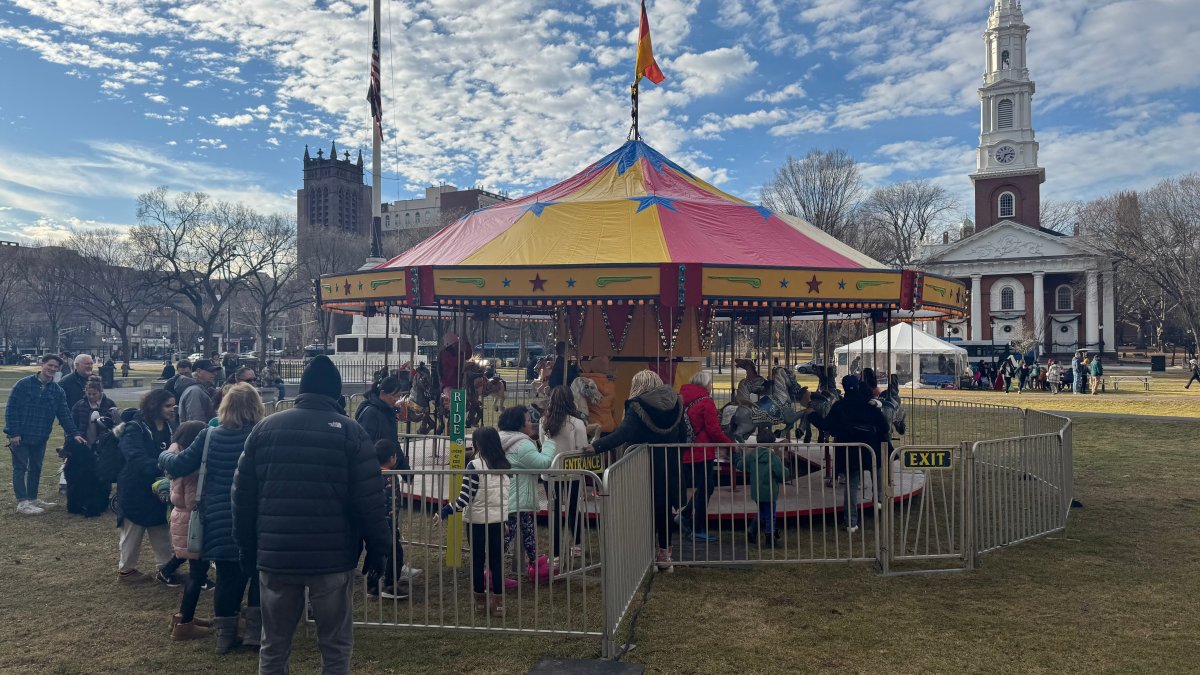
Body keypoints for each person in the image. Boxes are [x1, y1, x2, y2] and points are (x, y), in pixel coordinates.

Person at [232, 355, 390, 674]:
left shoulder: (264, 429)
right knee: (335, 645)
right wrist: (378, 548)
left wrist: (247, 548)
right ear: (336, 394)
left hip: (276, 557)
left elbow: (241, 498)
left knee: (274, 645)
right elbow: (370, 500)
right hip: (331, 558)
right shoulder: (351, 432)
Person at [161, 382, 264, 653]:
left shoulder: (209, 436)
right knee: (258, 574)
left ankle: (224, 637)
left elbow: (178, 465)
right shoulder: (262, 434)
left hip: (219, 516)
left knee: (228, 578)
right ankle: (255, 632)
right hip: (256, 515)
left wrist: (165, 452)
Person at [587, 370, 685, 571]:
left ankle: (643, 554)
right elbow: (683, 436)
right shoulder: (677, 404)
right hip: (668, 464)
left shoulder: (636, 406)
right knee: (664, 509)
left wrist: (596, 446)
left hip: (641, 465)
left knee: (641, 509)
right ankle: (665, 554)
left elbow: (623, 434)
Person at [434, 427, 511, 618]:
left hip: (477, 522)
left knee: (478, 561)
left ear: (477, 444)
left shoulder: (474, 466)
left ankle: (480, 603)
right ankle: (499, 604)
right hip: (498, 520)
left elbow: (464, 499)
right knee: (496, 561)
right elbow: (504, 497)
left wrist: (444, 512)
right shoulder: (505, 466)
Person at [5, 354, 86, 515]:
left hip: (40, 436)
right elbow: (11, 409)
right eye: (50, 365)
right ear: (42, 364)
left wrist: (74, 433)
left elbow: (64, 414)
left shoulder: (57, 391)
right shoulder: (23, 385)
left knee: (36, 467)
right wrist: (13, 433)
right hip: (20, 435)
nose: (52, 369)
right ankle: (22, 502)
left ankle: (33, 498)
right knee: (20, 468)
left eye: (56, 367)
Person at [115, 389, 177, 583]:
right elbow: (134, 456)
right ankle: (127, 571)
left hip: (158, 486)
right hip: (135, 486)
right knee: (133, 529)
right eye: (168, 406)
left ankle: (166, 568)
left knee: (160, 527)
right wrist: (162, 464)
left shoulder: (169, 426)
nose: (172, 410)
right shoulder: (135, 427)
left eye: (174, 406)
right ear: (155, 406)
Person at [161, 420, 214, 641]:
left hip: (180, 517)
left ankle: (183, 616)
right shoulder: (193, 466)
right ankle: (185, 624)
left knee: (196, 571)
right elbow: (194, 499)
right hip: (193, 520)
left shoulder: (174, 457)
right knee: (197, 574)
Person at [824, 375, 890, 534]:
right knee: (878, 470)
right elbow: (885, 426)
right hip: (870, 448)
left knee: (852, 485)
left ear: (844, 387)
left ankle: (851, 522)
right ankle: (879, 500)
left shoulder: (840, 405)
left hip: (849, 451)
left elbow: (828, 426)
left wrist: (812, 414)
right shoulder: (868, 404)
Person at [498, 405, 556, 580]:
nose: (531, 423)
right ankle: (492, 571)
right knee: (507, 536)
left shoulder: (502, 439)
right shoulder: (522, 445)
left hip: (511, 497)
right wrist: (550, 442)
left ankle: (534, 562)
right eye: (528, 420)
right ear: (519, 424)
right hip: (515, 499)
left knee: (528, 529)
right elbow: (542, 463)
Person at [678, 370, 732, 543]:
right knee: (706, 487)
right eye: (710, 383)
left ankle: (685, 515)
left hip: (688, 449)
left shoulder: (683, 400)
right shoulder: (706, 402)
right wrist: (729, 444)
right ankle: (697, 527)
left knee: (704, 486)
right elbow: (713, 429)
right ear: (704, 384)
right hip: (703, 451)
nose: (711, 386)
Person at [539, 387, 588, 563]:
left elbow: (543, 445)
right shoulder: (577, 423)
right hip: (571, 472)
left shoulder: (544, 421)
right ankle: (578, 544)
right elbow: (582, 447)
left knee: (554, 512)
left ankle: (556, 553)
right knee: (573, 507)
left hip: (550, 472)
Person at [368, 439, 419, 600]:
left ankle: (372, 585)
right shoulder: (390, 477)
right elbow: (389, 502)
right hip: (387, 524)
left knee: (376, 553)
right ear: (392, 458)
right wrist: (391, 524)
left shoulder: (371, 474)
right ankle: (390, 585)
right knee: (395, 553)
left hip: (374, 523)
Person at [64, 376, 118, 516]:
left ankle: (101, 501)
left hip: (104, 444)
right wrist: (72, 438)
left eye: (94, 394)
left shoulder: (109, 404)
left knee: (102, 474)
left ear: (100, 392)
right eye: (89, 394)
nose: (92, 396)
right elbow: (71, 424)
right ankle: (80, 501)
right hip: (83, 444)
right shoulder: (79, 405)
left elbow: (116, 424)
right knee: (82, 476)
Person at [734, 427, 792, 546]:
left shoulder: (752, 455)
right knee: (771, 515)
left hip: (757, 492)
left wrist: (737, 456)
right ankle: (770, 539)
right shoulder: (773, 458)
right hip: (770, 492)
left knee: (761, 512)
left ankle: (752, 531)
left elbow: (740, 465)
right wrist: (783, 461)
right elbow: (783, 474)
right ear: (771, 443)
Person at [355, 375, 404, 444]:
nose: (397, 399)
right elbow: (364, 441)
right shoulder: (370, 413)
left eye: (399, 396)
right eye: (394, 396)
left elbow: (394, 441)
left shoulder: (389, 411)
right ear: (382, 393)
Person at [578, 357, 617, 434]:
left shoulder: (583, 382)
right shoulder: (611, 385)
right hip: (608, 427)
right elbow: (613, 408)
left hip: (591, 427)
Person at [177, 359, 221, 424]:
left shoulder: (200, 389)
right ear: (199, 371)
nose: (215, 373)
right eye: (210, 371)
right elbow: (195, 422)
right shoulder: (194, 391)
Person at [438, 331, 473, 401]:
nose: (458, 345)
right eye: (456, 344)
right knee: (453, 399)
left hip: (458, 382)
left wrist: (466, 345)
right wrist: (462, 353)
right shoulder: (445, 354)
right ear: (451, 345)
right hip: (448, 383)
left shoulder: (456, 352)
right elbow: (455, 363)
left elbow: (468, 356)